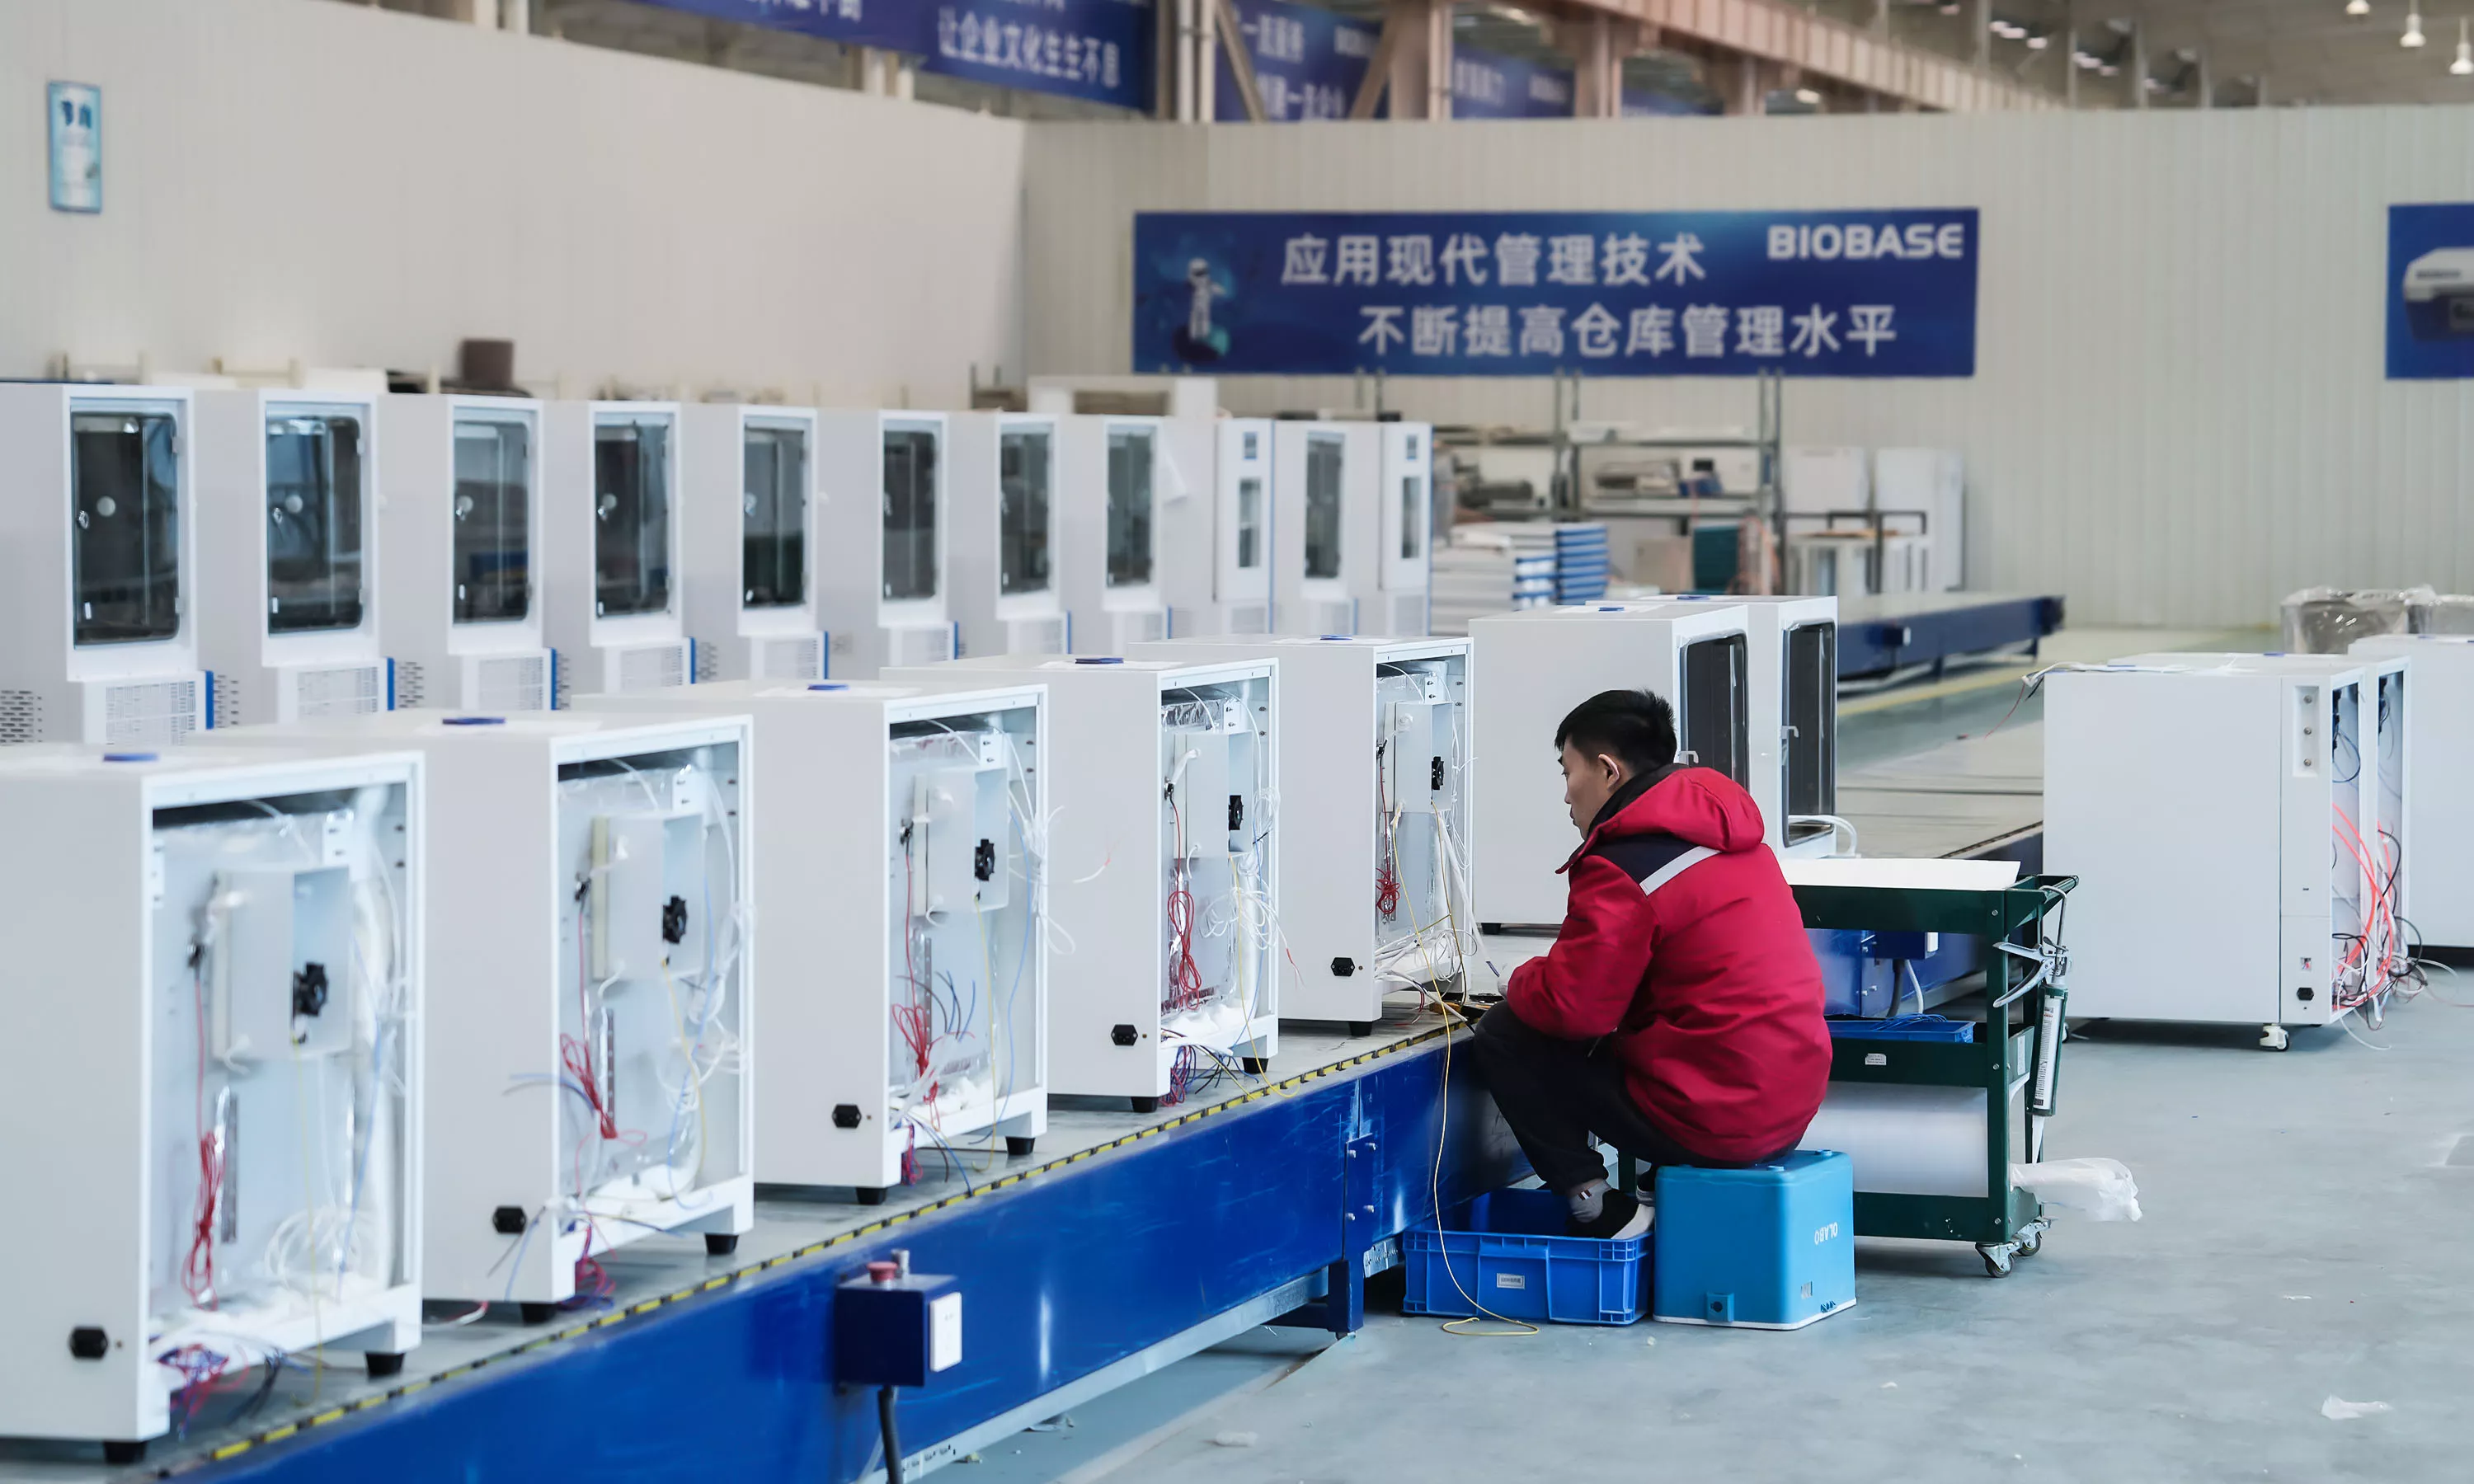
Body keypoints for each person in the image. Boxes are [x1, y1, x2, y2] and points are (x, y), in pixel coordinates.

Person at [1471, 688, 1829, 1239]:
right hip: (1790, 1102)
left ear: (1607, 770)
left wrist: (1519, 981)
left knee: (1507, 1033)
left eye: (1568, 772)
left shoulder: (1624, 865)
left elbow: (1575, 1010)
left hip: (1719, 1117)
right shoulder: (1735, 838)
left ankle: (1597, 1208)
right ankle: (1661, 1183)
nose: (1566, 795)